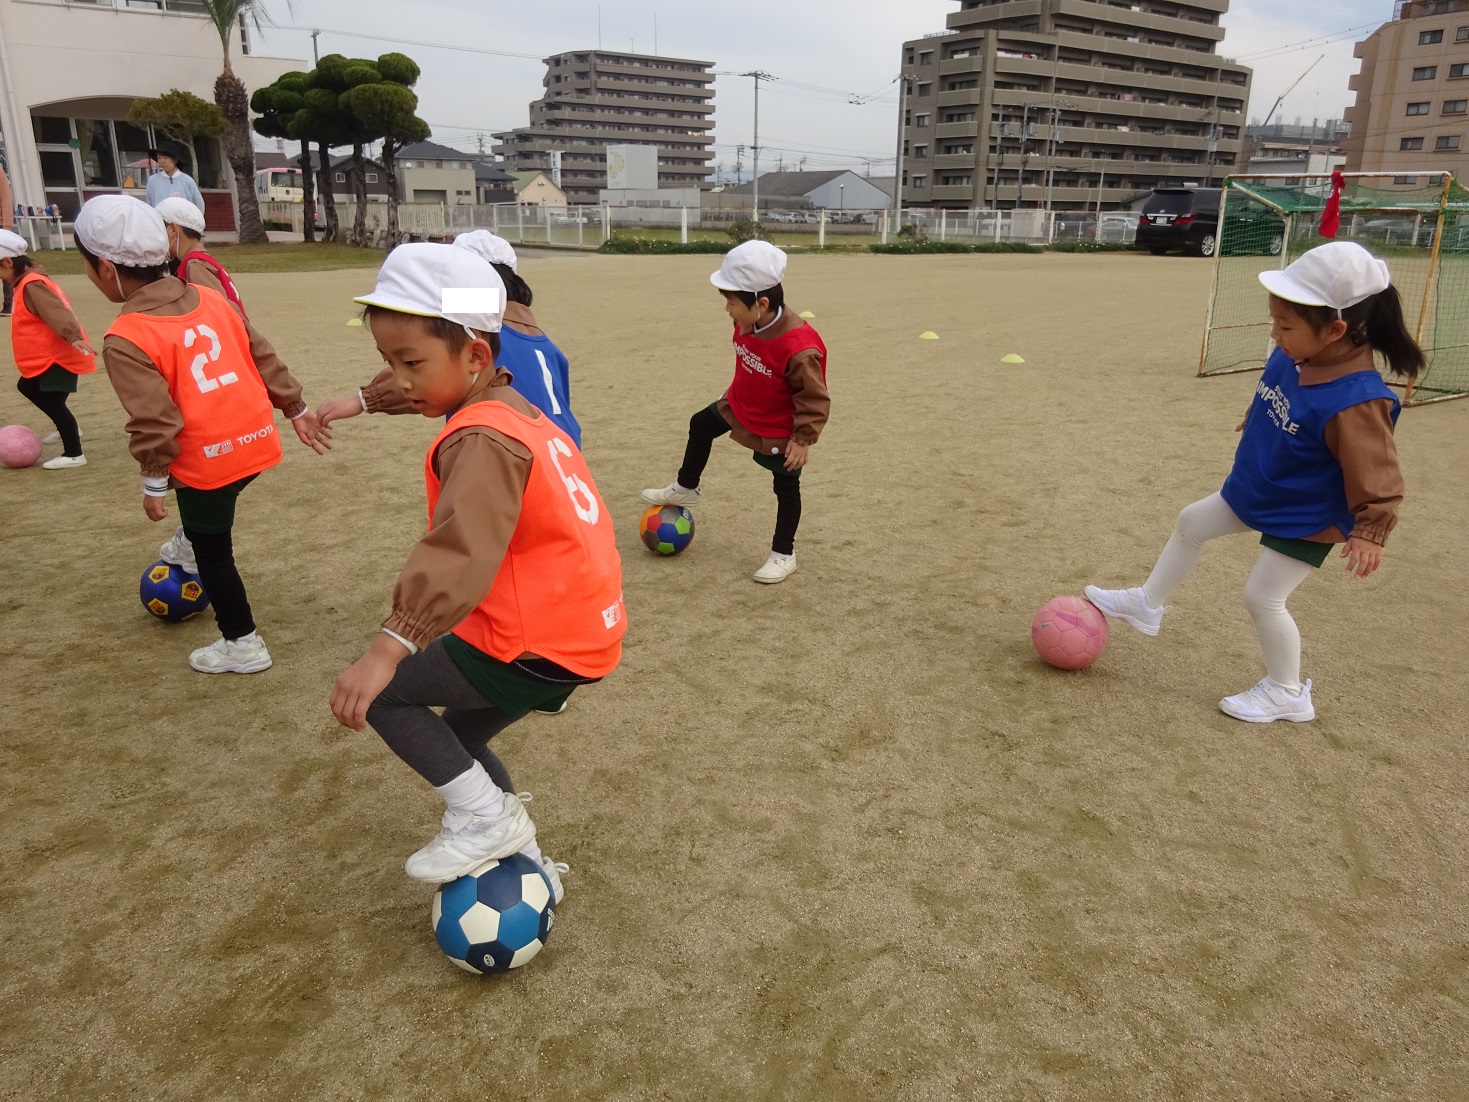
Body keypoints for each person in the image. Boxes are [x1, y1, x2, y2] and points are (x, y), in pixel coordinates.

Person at [329, 243, 625, 899]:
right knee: (459, 735)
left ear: (475, 357)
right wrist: (359, 400)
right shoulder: (519, 413)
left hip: (536, 640)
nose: (400, 378)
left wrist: (390, 645)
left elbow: (461, 547)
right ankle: (522, 853)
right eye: (388, 361)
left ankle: (488, 818)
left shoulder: (481, 437)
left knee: (384, 695)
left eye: (411, 362)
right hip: (583, 635)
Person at [1084, 241, 1422, 723]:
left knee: (1262, 597)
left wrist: (1372, 530)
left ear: (1335, 330)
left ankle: (1288, 693)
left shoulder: (1358, 400)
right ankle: (1147, 604)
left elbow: (1378, 472)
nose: (1274, 333)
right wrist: (1256, 413)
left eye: (1284, 325)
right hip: (1263, 486)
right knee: (1191, 522)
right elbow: (1276, 389)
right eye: (1274, 321)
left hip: (1308, 514)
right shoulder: (1293, 354)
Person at [72, 195, 330, 673]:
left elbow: (156, 421)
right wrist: (295, 408)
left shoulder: (126, 336)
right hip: (256, 444)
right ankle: (191, 538)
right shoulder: (211, 298)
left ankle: (243, 644)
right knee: (210, 523)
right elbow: (263, 354)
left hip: (207, 464)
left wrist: (153, 483)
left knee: (215, 555)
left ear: (105, 268)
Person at [641, 240, 830, 584]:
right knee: (701, 423)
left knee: (786, 487)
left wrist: (802, 439)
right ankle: (687, 487)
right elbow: (748, 362)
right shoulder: (748, 322)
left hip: (777, 426)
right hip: (740, 405)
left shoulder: (799, 348)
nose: (727, 309)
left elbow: (814, 397)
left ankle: (783, 554)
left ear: (762, 303)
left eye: (731, 302)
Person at [317, 231, 581, 446]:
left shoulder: (481, 330)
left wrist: (364, 400)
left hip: (519, 453)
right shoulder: (540, 341)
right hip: (564, 454)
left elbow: (431, 370)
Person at [1, 229, 96, 469]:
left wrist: (73, 337)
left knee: (55, 403)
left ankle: (74, 453)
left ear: (8, 262)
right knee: (27, 386)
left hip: (58, 356)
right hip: (52, 355)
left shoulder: (33, 285)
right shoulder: (28, 282)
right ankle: (67, 427)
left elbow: (55, 311)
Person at [155, 195, 246, 316]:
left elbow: (219, 313)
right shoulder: (197, 261)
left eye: (159, 228)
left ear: (173, 229)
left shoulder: (195, 266)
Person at [144, 144, 205, 212]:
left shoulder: (187, 180)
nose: (162, 161)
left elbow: (199, 204)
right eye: (159, 158)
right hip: (160, 221)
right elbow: (150, 204)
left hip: (184, 221)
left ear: (175, 160)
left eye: (165, 158)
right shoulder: (152, 181)